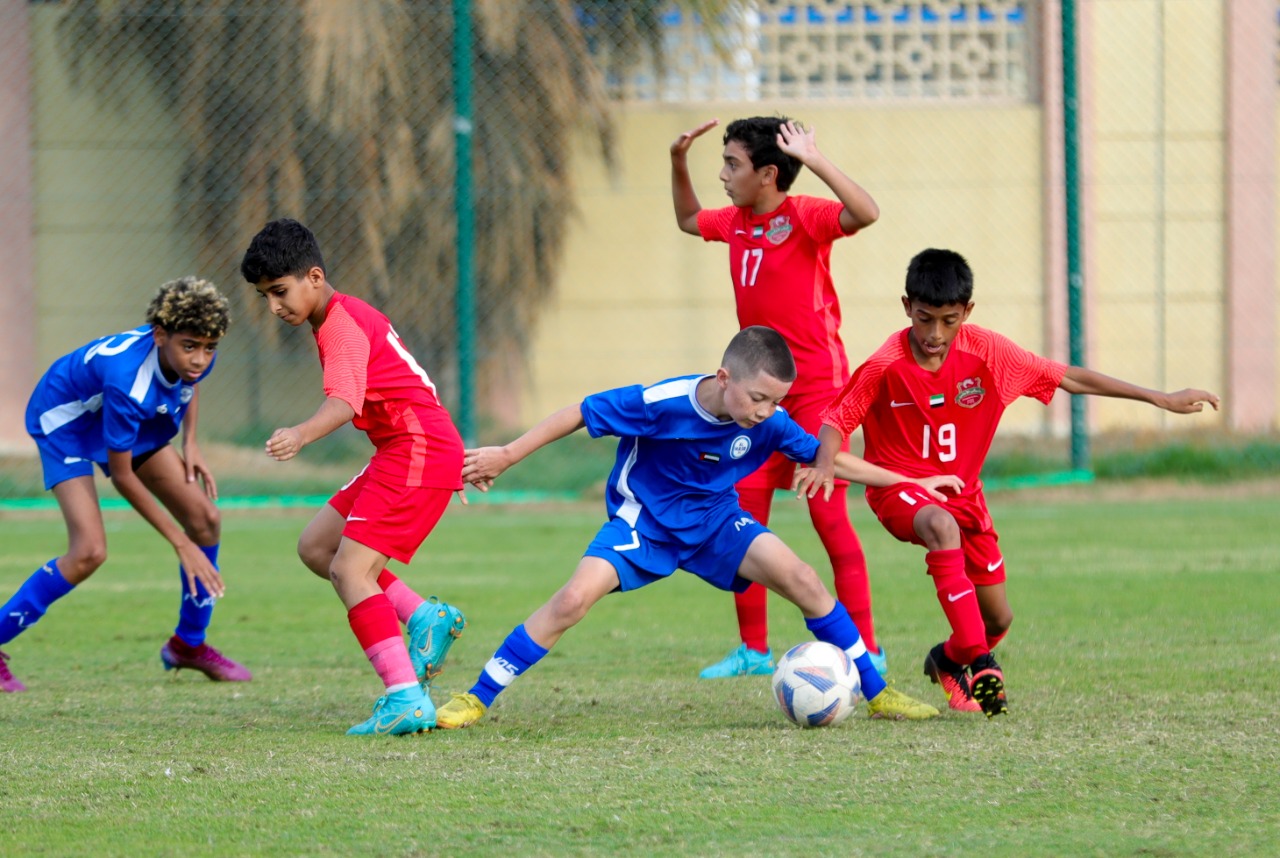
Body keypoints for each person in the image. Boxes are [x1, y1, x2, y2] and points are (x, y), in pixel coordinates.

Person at [434, 326, 961, 729]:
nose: (767, 412)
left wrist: (911, 480)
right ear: (724, 378)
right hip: (645, 522)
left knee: (803, 578)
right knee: (572, 601)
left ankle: (876, 692)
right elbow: (579, 412)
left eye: (777, 401)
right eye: (758, 398)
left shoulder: (768, 422)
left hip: (715, 520)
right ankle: (477, 697)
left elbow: (830, 459)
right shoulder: (663, 404)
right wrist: (507, 454)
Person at [804, 248, 1221, 718]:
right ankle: (982, 664)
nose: (935, 334)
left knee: (998, 617)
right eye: (924, 319)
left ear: (967, 312)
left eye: (948, 321)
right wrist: (824, 461)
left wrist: (1159, 398)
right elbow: (836, 419)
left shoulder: (990, 354)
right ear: (907, 308)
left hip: (964, 494)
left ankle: (948, 659)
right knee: (941, 526)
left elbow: (1068, 378)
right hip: (898, 489)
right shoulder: (885, 364)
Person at [670, 115, 888, 680]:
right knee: (740, 515)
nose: (723, 175)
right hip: (755, 395)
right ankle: (753, 650)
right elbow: (689, 219)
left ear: (768, 174)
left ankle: (868, 647)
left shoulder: (805, 215)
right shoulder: (734, 221)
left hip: (816, 390)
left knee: (827, 513)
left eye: (732, 164)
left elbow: (866, 212)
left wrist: (814, 159)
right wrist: (677, 160)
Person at [241, 219, 467, 736]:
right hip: (406, 447)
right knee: (317, 546)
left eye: (279, 291)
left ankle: (404, 697)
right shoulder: (340, 316)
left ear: (314, 277)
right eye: (264, 296)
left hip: (416, 448)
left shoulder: (341, 324)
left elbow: (344, 402)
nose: (274, 306)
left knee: (349, 572)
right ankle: (423, 617)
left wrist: (299, 434)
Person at [1, 277, 250, 693]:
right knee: (89, 552)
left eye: (210, 348)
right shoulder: (128, 380)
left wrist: (191, 442)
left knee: (205, 520)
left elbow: (190, 382)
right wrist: (180, 543)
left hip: (118, 412)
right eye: (190, 346)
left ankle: (188, 645)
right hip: (65, 421)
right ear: (160, 335)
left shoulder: (195, 349)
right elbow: (122, 476)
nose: (200, 358)